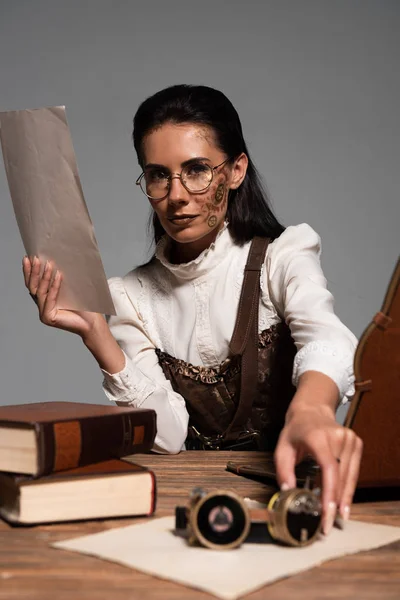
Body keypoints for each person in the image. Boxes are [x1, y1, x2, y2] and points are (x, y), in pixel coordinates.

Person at [22, 84, 362, 536]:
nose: (176, 195)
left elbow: (327, 338)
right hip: (185, 506)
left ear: (236, 169)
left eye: (197, 169)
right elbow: (168, 436)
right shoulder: (129, 296)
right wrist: (98, 337)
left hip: (289, 496)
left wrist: (313, 410)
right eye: (158, 175)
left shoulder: (283, 254)